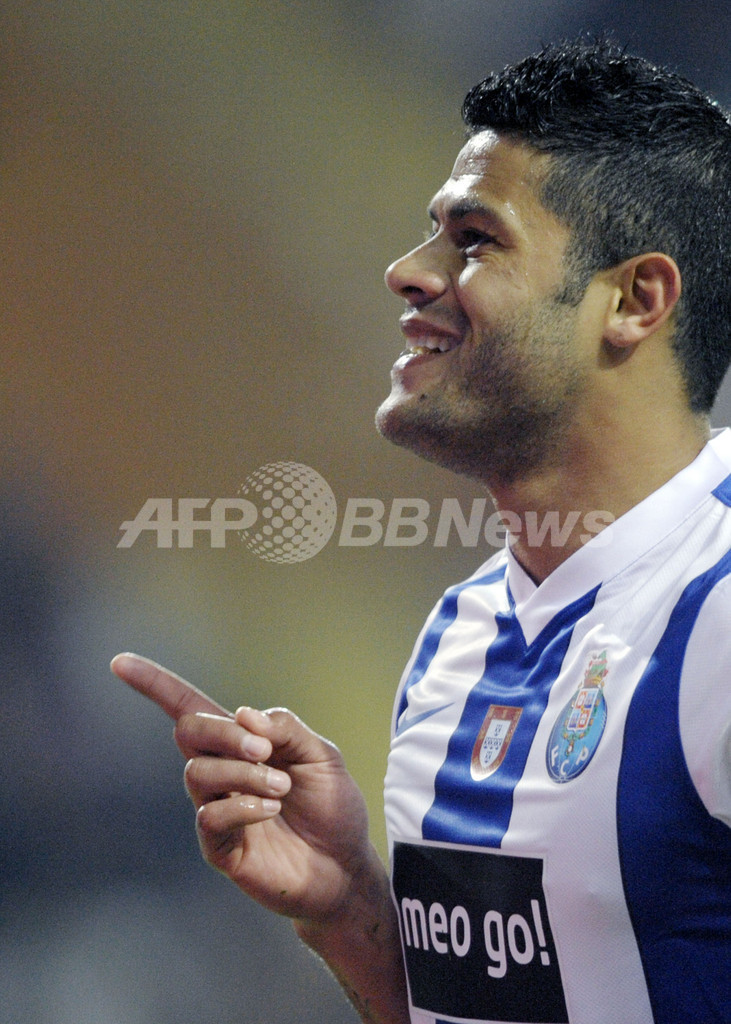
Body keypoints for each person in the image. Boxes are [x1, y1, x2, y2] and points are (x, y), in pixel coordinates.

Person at [112, 39, 731, 1024]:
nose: (406, 272)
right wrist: (352, 915)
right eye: (429, 232)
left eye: (474, 240)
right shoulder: (459, 634)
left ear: (632, 301)